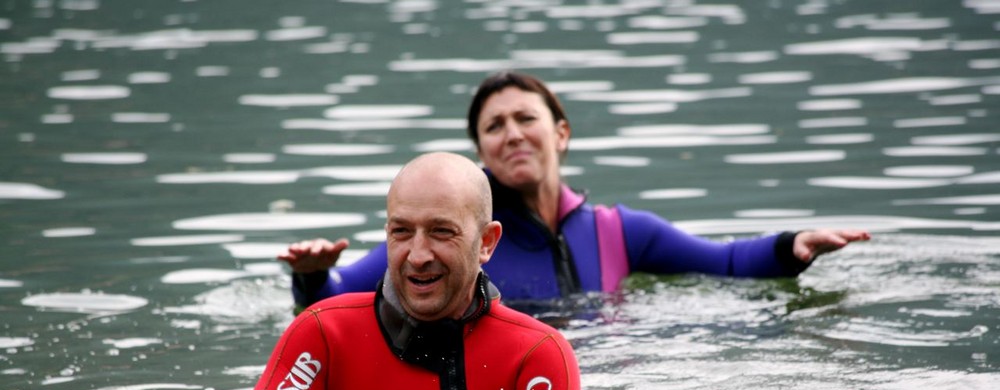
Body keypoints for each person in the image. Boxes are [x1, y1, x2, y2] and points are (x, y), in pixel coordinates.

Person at [280, 71, 871, 308]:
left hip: (610, 382)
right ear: (480, 151)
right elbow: (337, 301)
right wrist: (311, 275)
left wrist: (791, 246)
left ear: (560, 133)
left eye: (525, 119)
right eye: (494, 126)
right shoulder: (451, 242)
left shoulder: (619, 231)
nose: (512, 134)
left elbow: (723, 261)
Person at [216, 152, 581, 390]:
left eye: (441, 232)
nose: (418, 256)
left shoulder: (539, 353)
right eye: (402, 232)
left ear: (486, 242)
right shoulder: (323, 332)